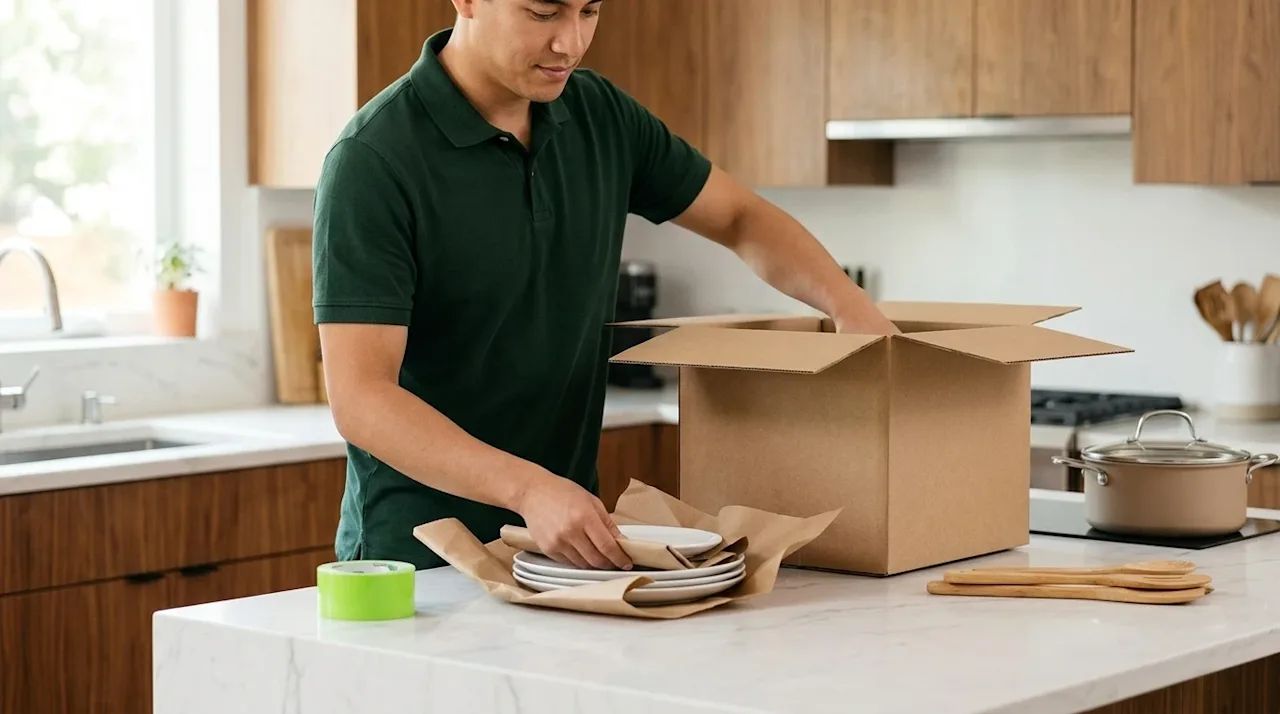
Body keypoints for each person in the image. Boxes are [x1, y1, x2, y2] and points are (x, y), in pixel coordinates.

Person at [312, 0, 899, 574]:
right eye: (543, 13)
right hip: (421, 562)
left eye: (589, 11)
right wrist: (529, 489)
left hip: (562, 553)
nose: (569, 42)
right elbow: (363, 399)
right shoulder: (372, 159)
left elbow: (740, 218)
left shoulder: (601, 116)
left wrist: (850, 307)